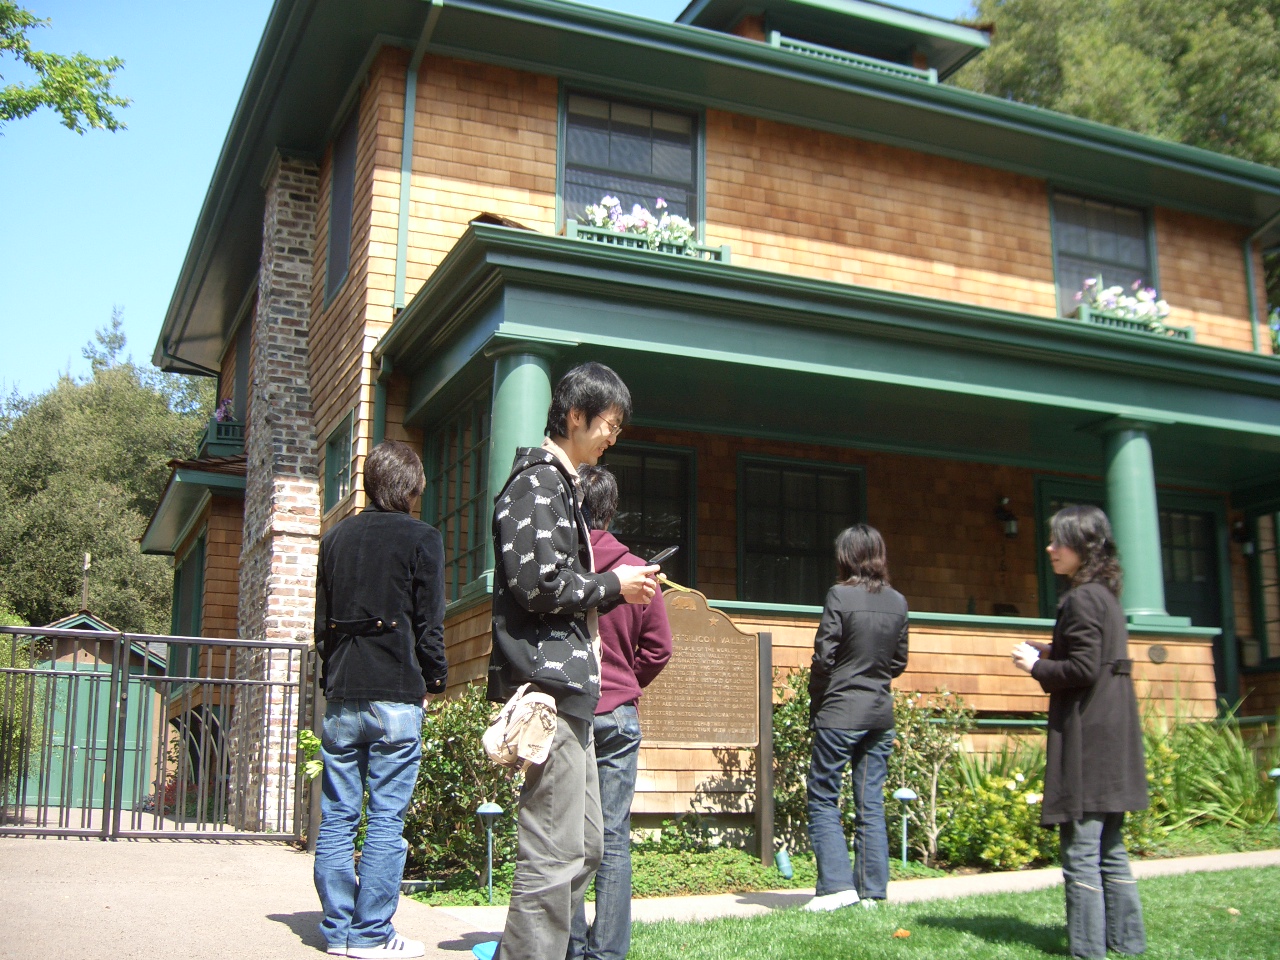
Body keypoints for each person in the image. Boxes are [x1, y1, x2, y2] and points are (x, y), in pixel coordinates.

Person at [486, 362, 660, 960]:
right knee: (553, 852)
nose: (613, 437)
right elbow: (539, 584)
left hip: (574, 696)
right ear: (576, 416)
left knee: (586, 844)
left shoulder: (561, 484)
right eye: (609, 424)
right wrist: (615, 585)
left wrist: (613, 586)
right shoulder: (536, 482)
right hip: (550, 692)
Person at [312, 440, 448, 959]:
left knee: (338, 817)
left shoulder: (334, 540)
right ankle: (371, 934)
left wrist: (332, 678)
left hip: (344, 692)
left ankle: (338, 931)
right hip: (395, 693)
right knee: (386, 817)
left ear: (370, 484)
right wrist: (434, 680)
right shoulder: (423, 538)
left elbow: (322, 627)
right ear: (411, 488)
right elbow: (430, 626)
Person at [1012, 504, 1147, 958]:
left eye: (1059, 541)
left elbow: (1085, 669)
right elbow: (1098, 658)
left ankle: (1088, 949)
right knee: (1111, 847)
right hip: (1113, 732)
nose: (1050, 548)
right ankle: (1127, 943)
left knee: (1082, 851)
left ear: (1083, 547)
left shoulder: (1082, 598)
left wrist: (1036, 666)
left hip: (1090, 737)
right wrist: (1052, 650)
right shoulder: (1105, 596)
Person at [568, 466, 673, 960]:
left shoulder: (561, 569)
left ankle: (570, 946)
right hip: (618, 714)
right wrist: (628, 681)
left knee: (567, 836)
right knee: (613, 837)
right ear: (610, 511)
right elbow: (659, 649)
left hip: (571, 712)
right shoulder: (638, 571)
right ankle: (608, 951)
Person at [803, 524, 908, 912]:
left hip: (840, 710)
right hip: (880, 714)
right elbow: (899, 661)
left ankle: (836, 887)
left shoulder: (840, 595)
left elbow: (824, 657)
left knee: (823, 796)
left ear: (845, 556)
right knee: (870, 802)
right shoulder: (898, 601)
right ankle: (872, 893)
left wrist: (818, 701)